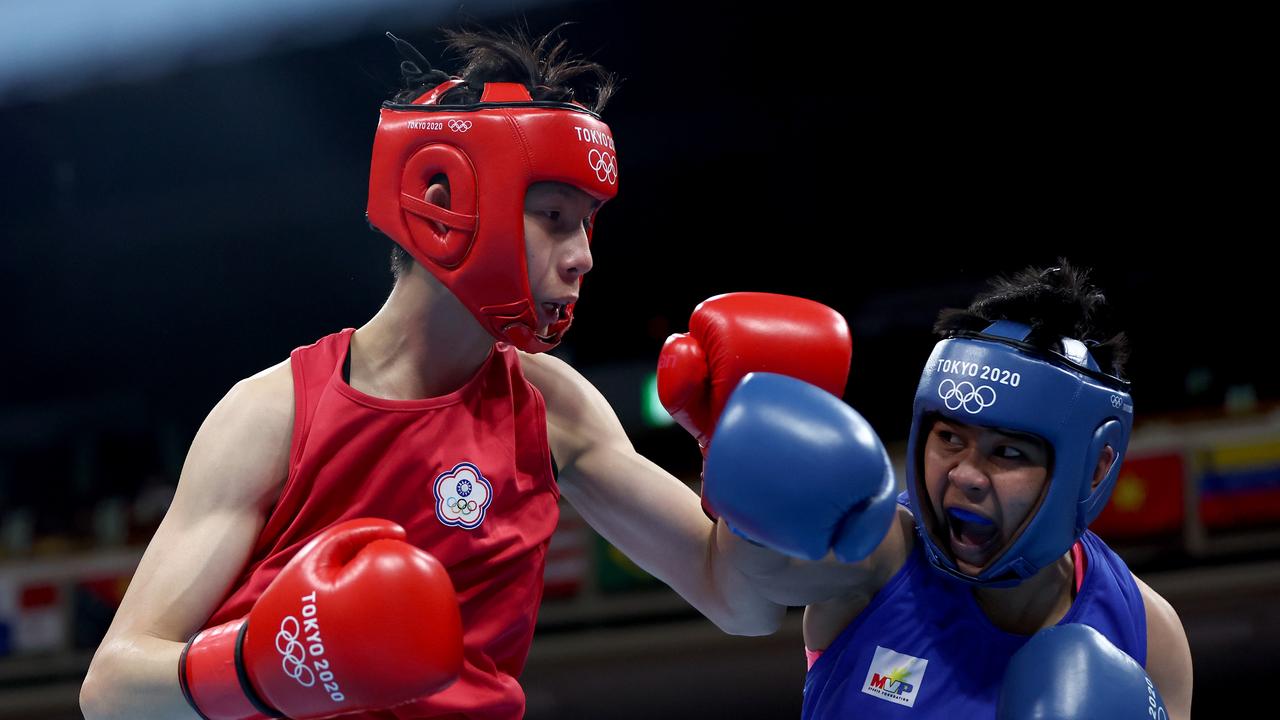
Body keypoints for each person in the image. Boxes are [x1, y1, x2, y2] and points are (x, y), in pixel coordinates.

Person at [78, 25, 811, 720]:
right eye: (554, 215)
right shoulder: (273, 414)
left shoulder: (553, 409)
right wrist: (263, 667)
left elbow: (742, 606)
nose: (583, 255)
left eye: (588, 222)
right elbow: (110, 690)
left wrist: (739, 465)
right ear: (443, 200)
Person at [695, 261, 1194, 718]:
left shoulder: (1148, 635)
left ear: (1093, 468)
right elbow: (754, 576)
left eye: (1008, 453)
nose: (966, 475)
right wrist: (743, 468)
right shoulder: (881, 555)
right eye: (950, 438)